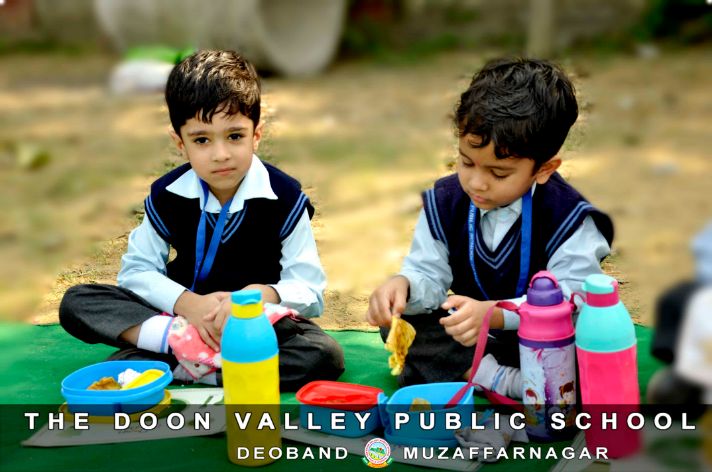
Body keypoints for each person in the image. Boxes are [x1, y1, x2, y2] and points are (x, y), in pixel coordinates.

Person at [60, 50, 344, 391]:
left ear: (256, 135)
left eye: (235, 136)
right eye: (202, 140)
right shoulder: (167, 195)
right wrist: (189, 305)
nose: (220, 154)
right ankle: (185, 345)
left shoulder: (285, 199)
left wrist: (260, 295)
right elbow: (136, 272)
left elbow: (309, 290)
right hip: (178, 316)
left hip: (255, 324)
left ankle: (182, 365)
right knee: (77, 301)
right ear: (180, 143)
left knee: (323, 355)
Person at [366, 57, 614, 391]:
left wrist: (495, 314)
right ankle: (499, 379)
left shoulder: (570, 218)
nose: (476, 183)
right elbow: (429, 275)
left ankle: (487, 375)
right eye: (466, 162)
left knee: (597, 346)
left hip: (546, 341)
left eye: (498, 173)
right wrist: (404, 286)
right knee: (400, 323)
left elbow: (573, 298)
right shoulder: (444, 202)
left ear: (544, 169)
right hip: (472, 338)